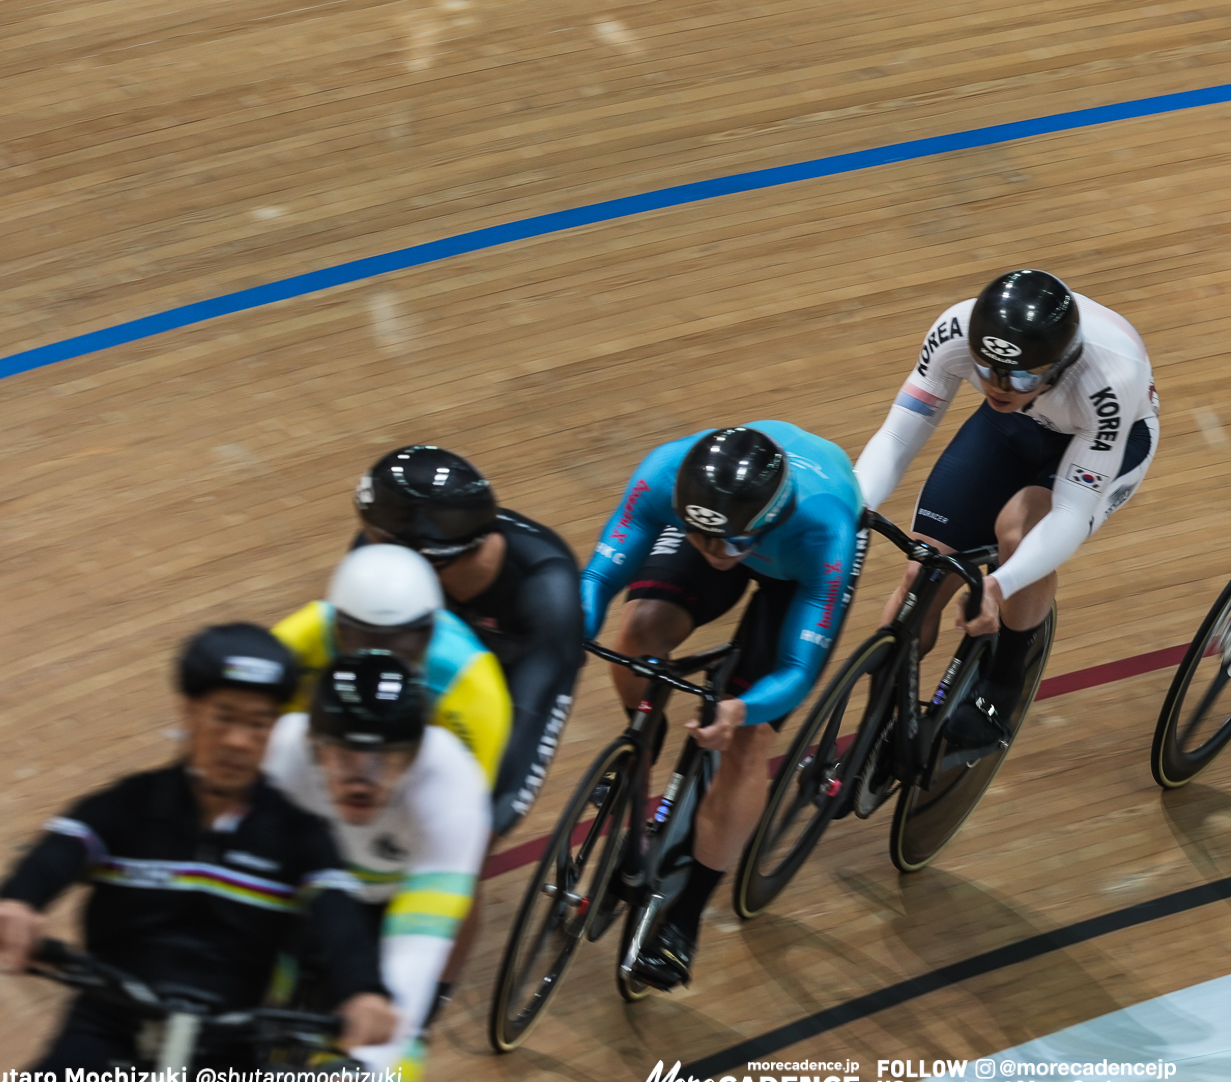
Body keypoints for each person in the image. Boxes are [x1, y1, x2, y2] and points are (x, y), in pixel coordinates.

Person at [0, 625, 396, 1082]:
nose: (238, 740)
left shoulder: (299, 837)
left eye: (258, 725)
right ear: (188, 713)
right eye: (224, 717)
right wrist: (18, 901)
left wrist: (364, 990)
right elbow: (61, 849)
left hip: (223, 1054)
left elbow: (338, 916)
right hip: (108, 1030)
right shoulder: (130, 805)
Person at [577, 423, 864, 990]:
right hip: (731, 517)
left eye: (729, 543)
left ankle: (685, 919)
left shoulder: (822, 528)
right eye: (701, 537)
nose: (713, 554)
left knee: (749, 740)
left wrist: (741, 709)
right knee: (636, 636)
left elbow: (796, 671)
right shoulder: (665, 471)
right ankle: (644, 751)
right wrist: (574, 626)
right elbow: (598, 577)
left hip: (794, 569)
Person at [853, 268, 1158, 750]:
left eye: (1019, 375)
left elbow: (1069, 516)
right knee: (923, 573)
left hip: (1106, 438)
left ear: (1057, 366)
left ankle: (1002, 685)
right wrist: (855, 506)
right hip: (1016, 426)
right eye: (986, 369)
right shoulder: (958, 330)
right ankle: (873, 731)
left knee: (1020, 530)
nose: (999, 385)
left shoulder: (1109, 377)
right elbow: (896, 436)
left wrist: (998, 584)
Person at [263, 651, 490, 1082]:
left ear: (412, 756)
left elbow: (417, 948)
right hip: (300, 902)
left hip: (393, 919)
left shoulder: (451, 783)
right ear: (315, 748)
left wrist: (370, 1065)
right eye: (344, 755)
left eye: (383, 759)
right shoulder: (280, 754)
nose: (361, 777)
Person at [352, 445, 584, 835]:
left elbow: (518, 759)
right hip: (433, 663)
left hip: (513, 680)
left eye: (379, 539)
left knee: (472, 826)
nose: (368, 545)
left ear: (428, 557)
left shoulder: (546, 590)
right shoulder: (382, 557)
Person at [273, 544, 512, 824]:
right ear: (337, 626)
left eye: (395, 643)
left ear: (428, 633)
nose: (380, 659)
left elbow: (460, 808)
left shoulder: (472, 686)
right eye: (368, 640)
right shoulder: (302, 636)